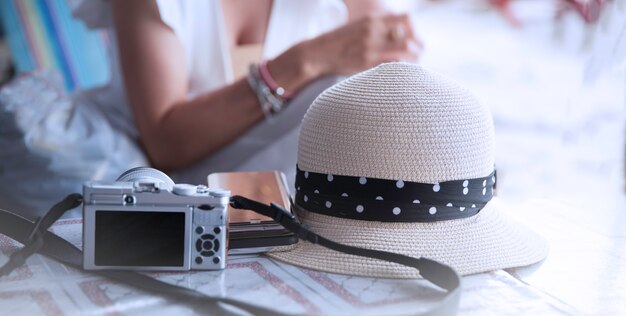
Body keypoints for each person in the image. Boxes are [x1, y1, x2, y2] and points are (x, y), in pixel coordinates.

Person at [0, 0, 421, 217]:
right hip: (147, 167)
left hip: (259, 174)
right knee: (332, 90)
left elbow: (394, 87)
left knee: (363, 91)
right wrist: (305, 61)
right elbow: (167, 143)